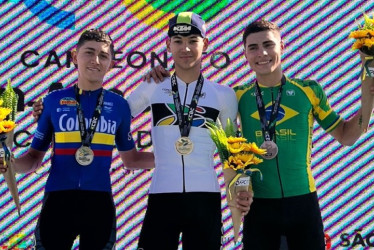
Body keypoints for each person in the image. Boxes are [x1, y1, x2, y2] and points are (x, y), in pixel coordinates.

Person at [30, 13, 252, 250]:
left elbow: (232, 155)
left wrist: (241, 189)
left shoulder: (224, 94)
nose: (185, 47)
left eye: (192, 40)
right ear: (167, 45)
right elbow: (110, 112)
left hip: (205, 197)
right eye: (177, 41)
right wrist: (47, 111)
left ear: (205, 44)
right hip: (161, 197)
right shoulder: (152, 85)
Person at [0, 29, 154, 250]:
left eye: (103, 56)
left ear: (111, 63)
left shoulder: (119, 105)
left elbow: (132, 160)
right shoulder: (52, 101)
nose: (96, 60)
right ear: (74, 57)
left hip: (99, 204)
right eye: (89, 53)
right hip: (57, 203)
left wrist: (176, 158)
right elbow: (33, 159)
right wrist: (11, 164)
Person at [236, 20, 374, 250]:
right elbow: (227, 152)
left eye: (269, 45)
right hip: (259, 208)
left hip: (303, 205)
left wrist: (368, 101)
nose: (262, 53)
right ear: (245, 54)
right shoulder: (238, 96)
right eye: (253, 47)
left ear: (282, 46)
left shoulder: (307, 91)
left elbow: (346, 136)